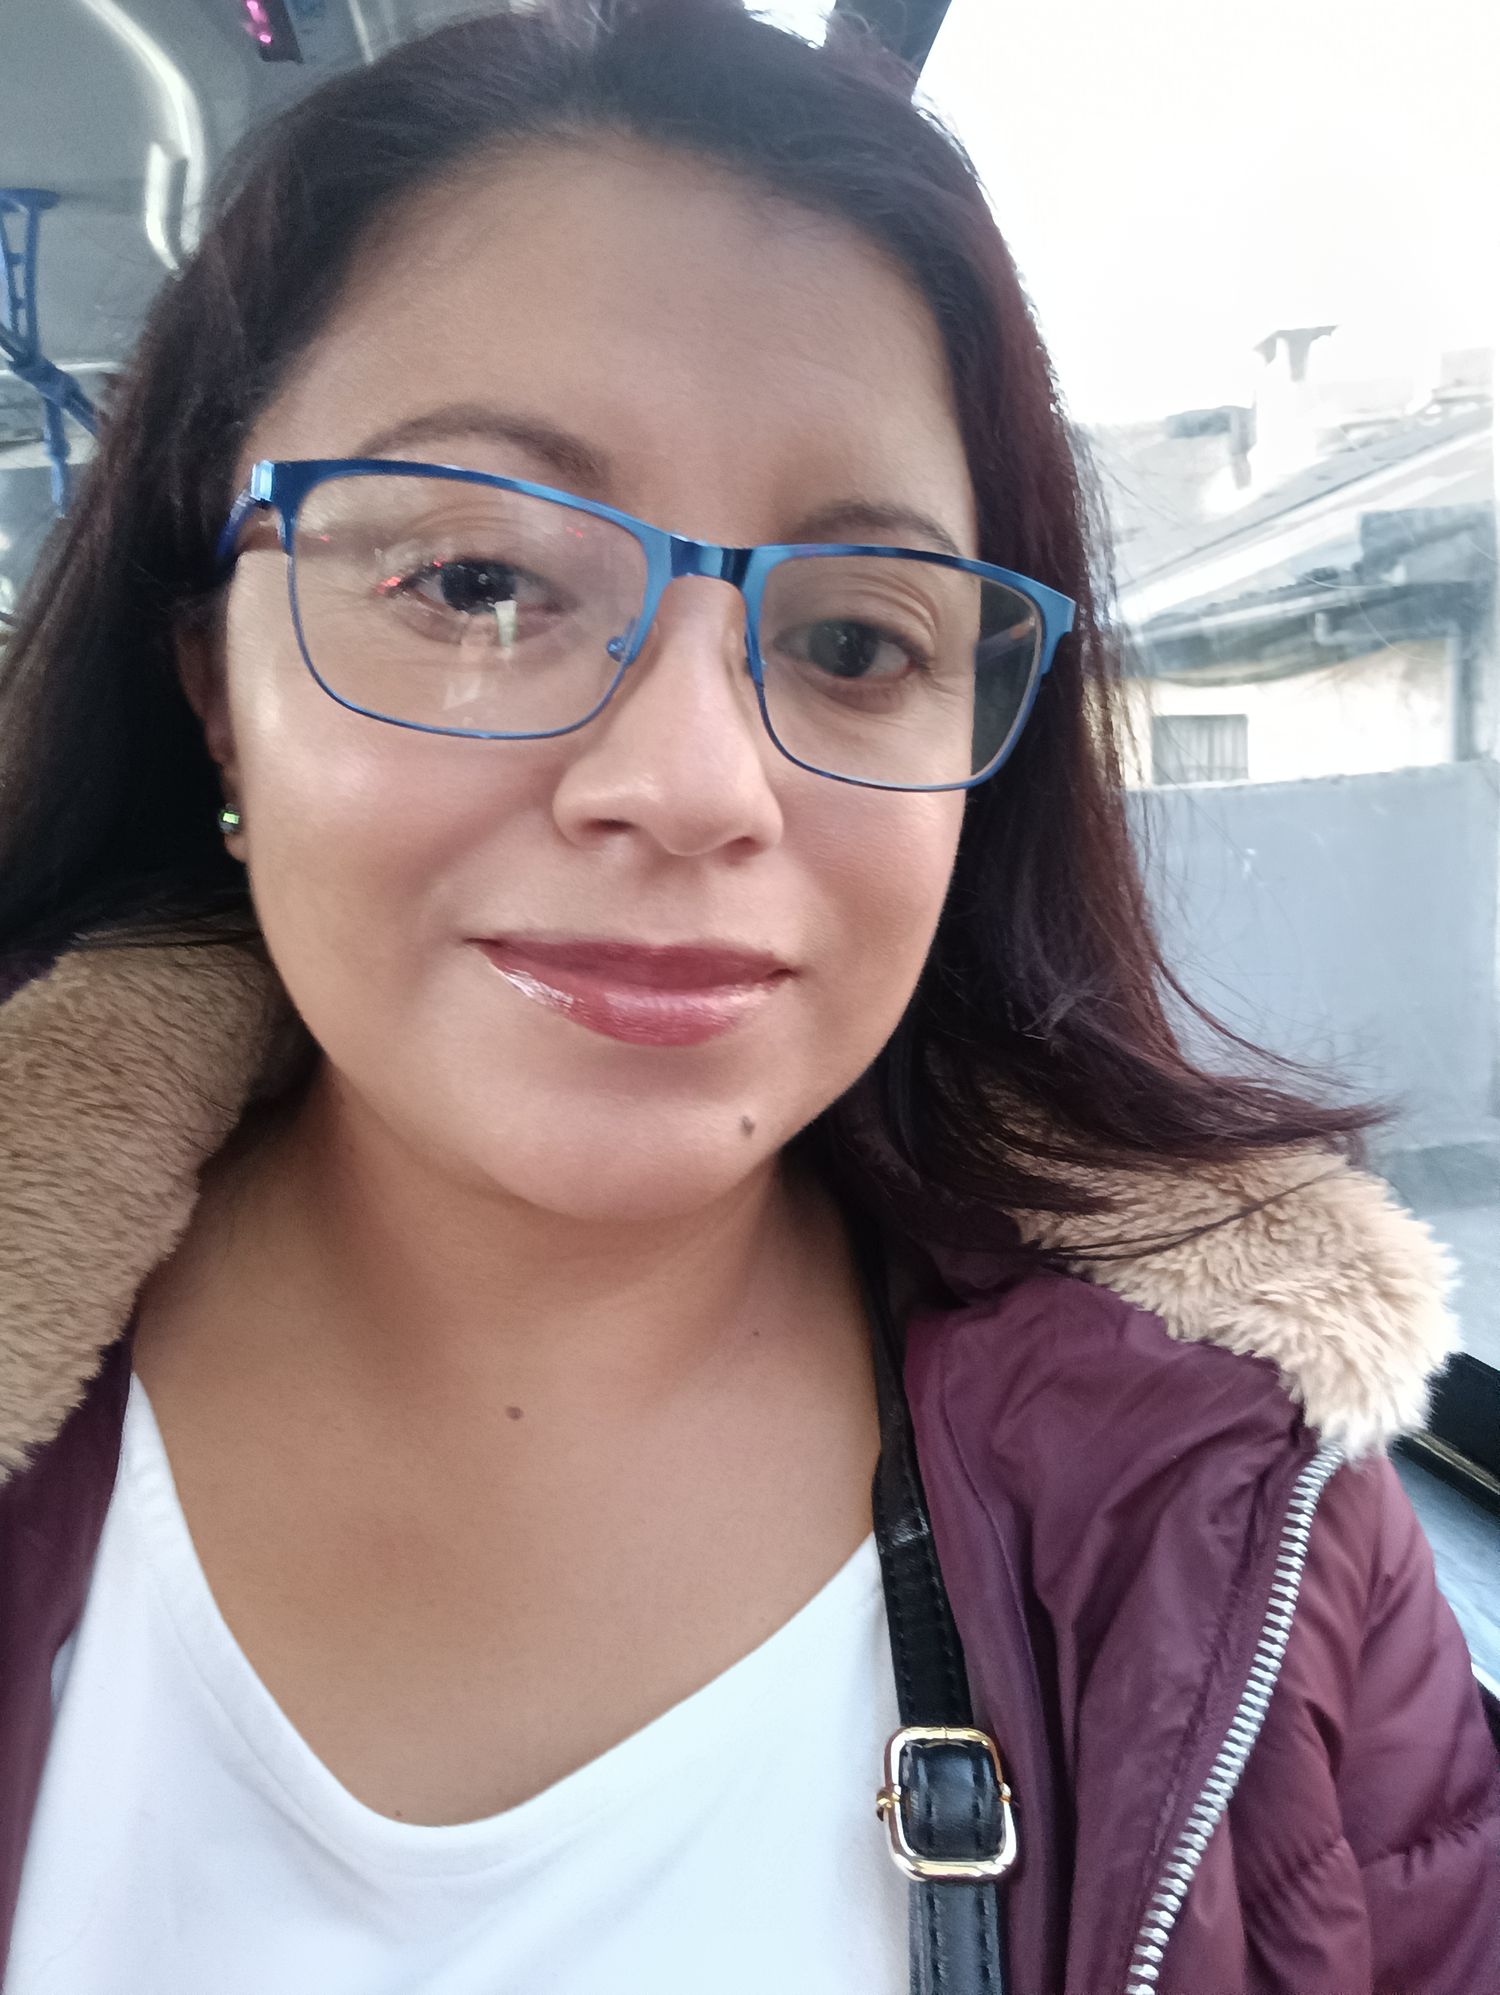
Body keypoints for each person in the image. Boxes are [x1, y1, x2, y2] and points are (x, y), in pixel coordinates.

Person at [0, 2, 1494, 1990]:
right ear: (215, 682)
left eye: (859, 638)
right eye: (477, 583)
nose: (697, 784)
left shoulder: (1252, 1524)